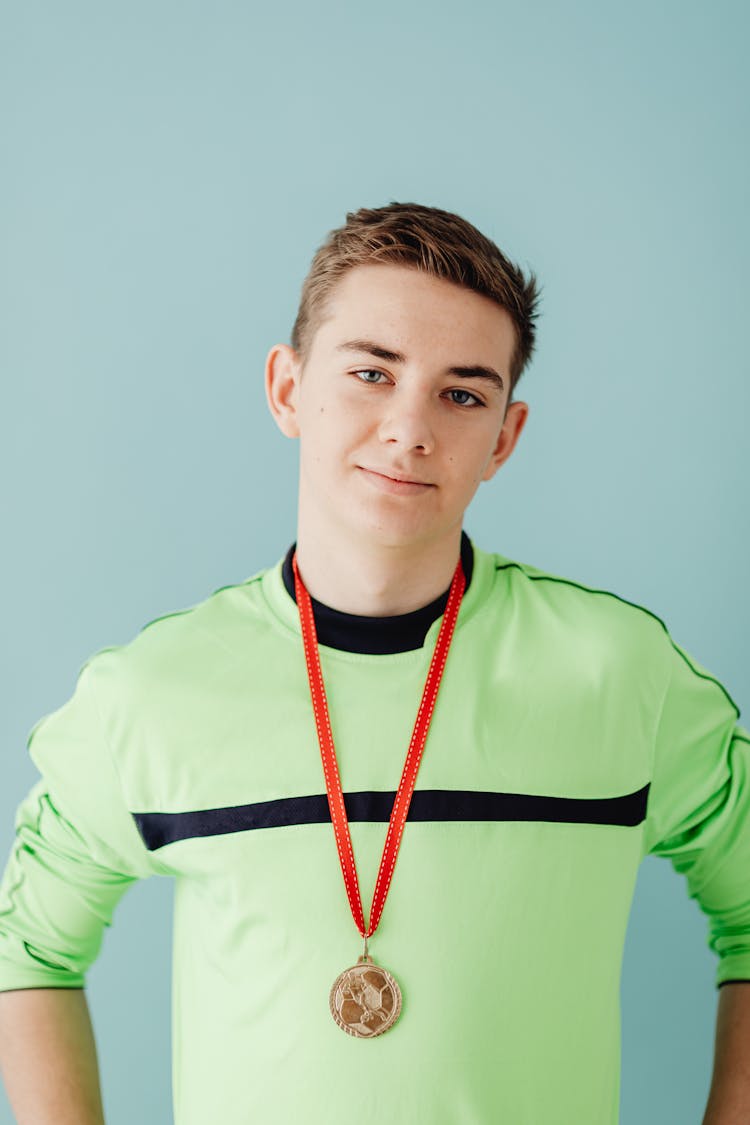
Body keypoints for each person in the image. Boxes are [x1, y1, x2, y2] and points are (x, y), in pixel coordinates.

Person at [0, 201, 748, 1124]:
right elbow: (26, 949)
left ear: (504, 438)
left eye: (462, 393)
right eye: (370, 373)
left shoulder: (617, 673)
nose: (409, 427)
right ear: (287, 389)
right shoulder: (150, 693)